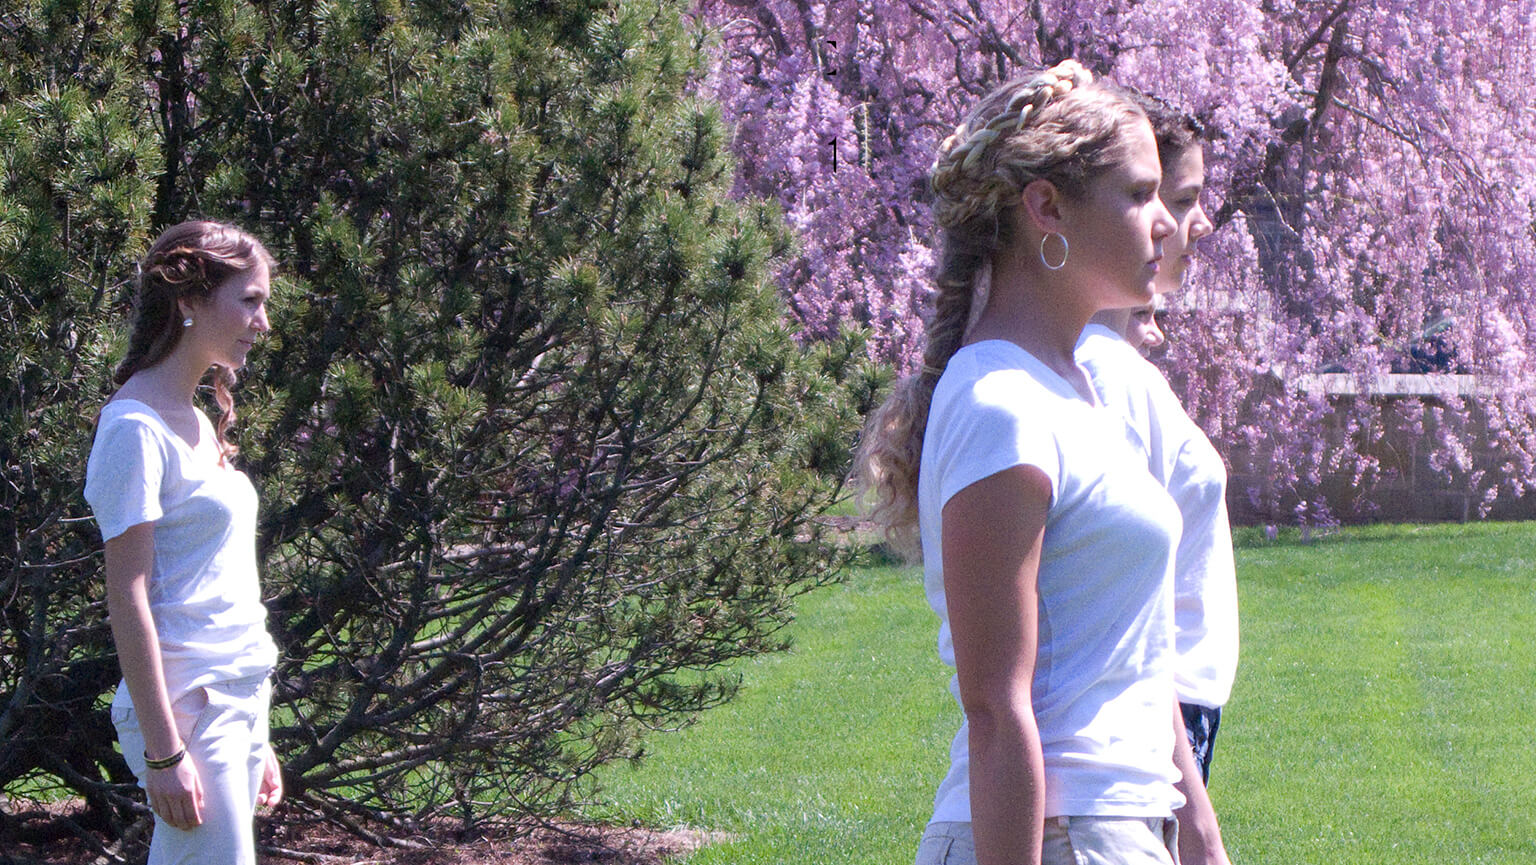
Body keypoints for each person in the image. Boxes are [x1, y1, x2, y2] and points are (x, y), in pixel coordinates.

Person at [857, 60, 1229, 865]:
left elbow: (1134, 648)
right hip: (1057, 838)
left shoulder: (1089, 390)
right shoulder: (1000, 402)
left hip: (1122, 827)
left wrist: (1197, 829)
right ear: (1047, 209)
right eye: (1137, 195)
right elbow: (996, 709)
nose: (1164, 221)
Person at [85, 220, 283, 865]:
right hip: (187, 709)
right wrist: (165, 753)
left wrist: (259, 735)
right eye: (250, 300)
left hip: (239, 692)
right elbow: (129, 595)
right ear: (190, 301)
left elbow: (219, 582)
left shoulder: (196, 419)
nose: (263, 321)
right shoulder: (134, 429)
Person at [1074, 97, 1236, 861]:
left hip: (1172, 717)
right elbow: (1130, 603)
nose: (1190, 224)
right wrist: (1197, 813)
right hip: (1152, 725)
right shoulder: (1105, 374)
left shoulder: (1122, 366)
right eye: (1175, 199)